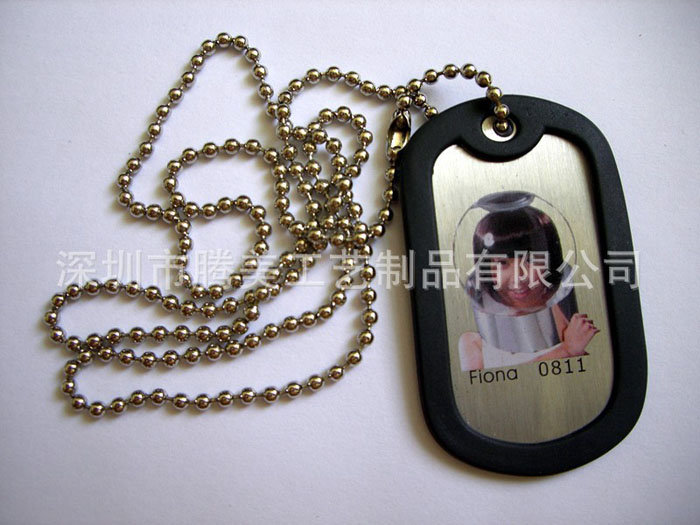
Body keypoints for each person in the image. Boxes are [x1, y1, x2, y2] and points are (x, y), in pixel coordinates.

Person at [457, 192, 599, 372]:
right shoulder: (473, 343)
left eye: (530, 260)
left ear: (551, 263)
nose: (518, 278)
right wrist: (566, 350)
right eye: (502, 263)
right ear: (485, 270)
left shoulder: (565, 323)